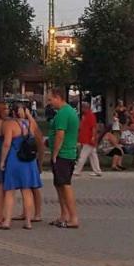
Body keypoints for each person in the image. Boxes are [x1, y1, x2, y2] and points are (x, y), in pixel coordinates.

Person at [0, 105, 40, 229]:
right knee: (26, 191)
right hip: (28, 160)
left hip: (15, 159)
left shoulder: (10, 125)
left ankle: (7, 221)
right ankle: (28, 221)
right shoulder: (29, 124)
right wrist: (29, 115)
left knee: (10, 191)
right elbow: (35, 129)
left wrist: (2, 161)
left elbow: (6, 144)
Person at [47, 88, 80, 228]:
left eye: (50, 99)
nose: (49, 103)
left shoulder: (63, 113)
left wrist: (55, 153)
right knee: (59, 185)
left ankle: (73, 218)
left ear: (58, 97)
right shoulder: (69, 111)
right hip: (67, 153)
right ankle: (64, 215)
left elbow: (60, 134)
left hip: (63, 154)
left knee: (65, 185)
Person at [73, 102, 103, 177]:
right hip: (86, 138)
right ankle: (97, 171)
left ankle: (77, 171)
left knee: (83, 156)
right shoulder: (86, 116)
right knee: (93, 155)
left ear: (86, 108)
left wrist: (93, 137)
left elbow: (93, 127)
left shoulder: (90, 116)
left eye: (83, 107)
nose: (82, 109)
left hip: (88, 139)